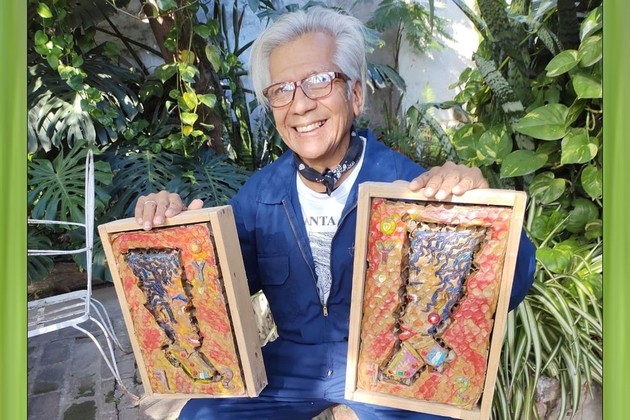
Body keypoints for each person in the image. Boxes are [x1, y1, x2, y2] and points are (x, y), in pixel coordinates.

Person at [135, 7, 536, 419]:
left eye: (319, 81)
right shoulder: (261, 194)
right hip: (292, 367)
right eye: (281, 90)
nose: (300, 105)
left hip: (387, 368)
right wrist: (171, 233)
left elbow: (509, 285)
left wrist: (480, 207)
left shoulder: (408, 188)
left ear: (355, 95)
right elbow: (216, 289)